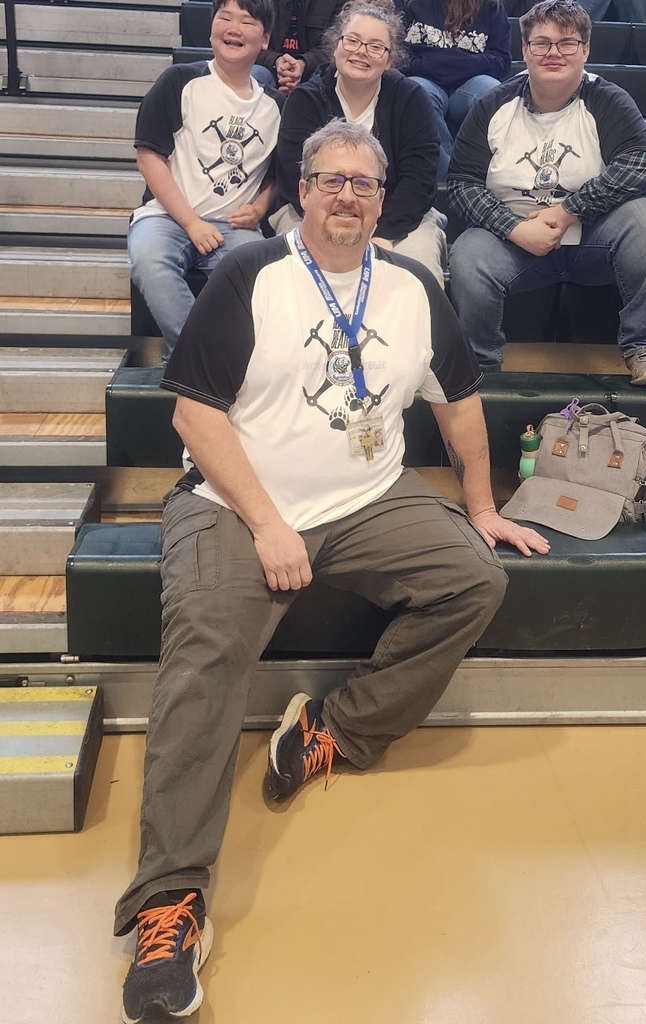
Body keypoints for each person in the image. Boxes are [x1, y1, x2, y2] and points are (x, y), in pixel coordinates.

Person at [114, 119, 550, 1023]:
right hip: (236, 504)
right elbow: (194, 421)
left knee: (476, 581)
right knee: (203, 653)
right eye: (329, 179)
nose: (345, 194)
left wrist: (480, 509)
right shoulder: (248, 273)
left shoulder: (413, 288)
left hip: (363, 499)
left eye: (361, 181)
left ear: (379, 199)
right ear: (303, 189)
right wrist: (270, 526)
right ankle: (169, 903)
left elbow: (462, 406)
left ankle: (333, 732)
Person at [448, 0, 646, 385]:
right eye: (541, 43)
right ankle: (480, 364)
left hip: (594, 239)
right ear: (524, 50)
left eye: (567, 43)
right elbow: (461, 184)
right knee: (468, 253)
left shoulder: (607, 99)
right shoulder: (493, 104)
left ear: (585, 49)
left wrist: (569, 210)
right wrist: (513, 228)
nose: (553, 52)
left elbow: (643, 164)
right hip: (515, 244)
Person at [128, 0, 282, 365]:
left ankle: (198, 362)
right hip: (168, 216)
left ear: (265, 40)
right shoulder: (180, 80)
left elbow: (279, 174)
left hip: (234, 225)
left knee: (262, 280)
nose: (234, 28)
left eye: (247, 21)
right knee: (150, 260)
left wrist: (260, 207)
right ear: (211, 26)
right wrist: (192, 222)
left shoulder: (277, 106)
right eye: (225, 17)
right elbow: (149, 157)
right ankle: (196, 361)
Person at [274, 0, 447, 284]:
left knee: (418, 273)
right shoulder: (305, 99)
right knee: (298, 277)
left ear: (390, 59)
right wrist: (341, 224)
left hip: (397, 219)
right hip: (314, 212)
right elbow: (295, 175)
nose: (361, 52)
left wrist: (383, 233)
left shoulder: (411, 99)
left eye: (376, 46)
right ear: (336, 46)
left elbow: (420, 179)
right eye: (352, 41)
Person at [394, 0, 512, 180]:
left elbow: (502, 60)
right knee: (417, 92)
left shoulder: (491, 5)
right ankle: (448, 182)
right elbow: (396, 55)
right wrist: (458, 63)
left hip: (470, 83)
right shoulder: (405, 3)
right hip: (425, 81)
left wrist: (440, 64)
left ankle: (492, 179)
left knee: (492, 91)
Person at [251, 0, 346, 92]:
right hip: (267, 65)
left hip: (314, 69)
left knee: (324, 80)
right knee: (256, 74)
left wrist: (302, 63)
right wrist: (276, 60)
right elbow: (247, 41)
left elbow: (335, 46)